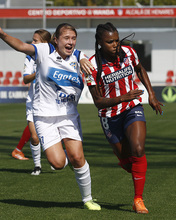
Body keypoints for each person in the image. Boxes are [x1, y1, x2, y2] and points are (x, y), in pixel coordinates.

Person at [0, 23, 100, 210]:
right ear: (56, 40)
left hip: (69, 116)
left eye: (73, 38)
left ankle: (88, 199)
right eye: (66, 38)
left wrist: (85, 60)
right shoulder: (44, 50)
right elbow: (21, 46)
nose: (70, 42)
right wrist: (2, 34)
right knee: (58, 163)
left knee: (78, 158)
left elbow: (86, 60)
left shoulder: (79, 57)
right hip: (44, 116)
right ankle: (61, 160)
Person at [84, 22, 163, 214]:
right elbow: (98, 102)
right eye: (110, 41)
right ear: (100, 43)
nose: (115, 44)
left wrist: (151, 94)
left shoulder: (129, 53)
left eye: (117, 40)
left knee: (138, 149)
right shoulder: (92, 65)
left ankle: (138, 200)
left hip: (131, 108)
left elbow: (140, 69)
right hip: (109, 115)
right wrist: (120, 98)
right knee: (127, 162)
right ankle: (128, 164)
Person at [24, 29, 52, 175]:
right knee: (34, 137)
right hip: (33, 102)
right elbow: (25, 79)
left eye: (36, 41)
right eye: (32, 40)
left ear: (45, 43)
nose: (32, 43)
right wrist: (38, 72)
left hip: (51, 103)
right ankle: (37, 166)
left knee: (52, 137)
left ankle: (57, 158)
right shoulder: (30, 57)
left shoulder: (54, 57)